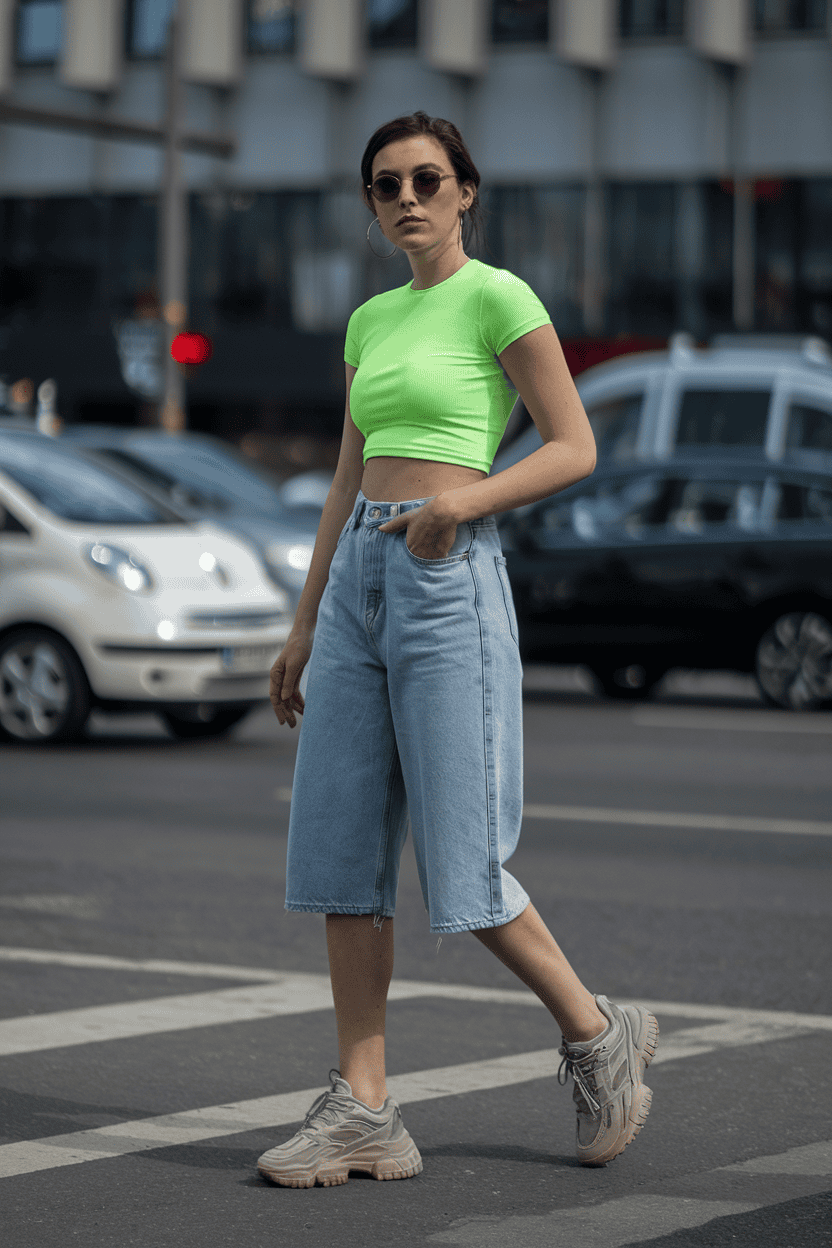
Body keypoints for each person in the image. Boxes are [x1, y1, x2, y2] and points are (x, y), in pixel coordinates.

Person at [257, 112, 658, 1189]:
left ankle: (595, 1033)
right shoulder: (369, 318)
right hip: (356, 590)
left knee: (463, 863)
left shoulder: (499, 297)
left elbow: (573, 444)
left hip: (446, 575)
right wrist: (303, 621)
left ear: (465, 190)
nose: (407, 197)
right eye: (386, 184)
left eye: (428, 178)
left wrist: (461, 507)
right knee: (339, 850)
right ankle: (364, 1112)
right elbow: (346, 478)